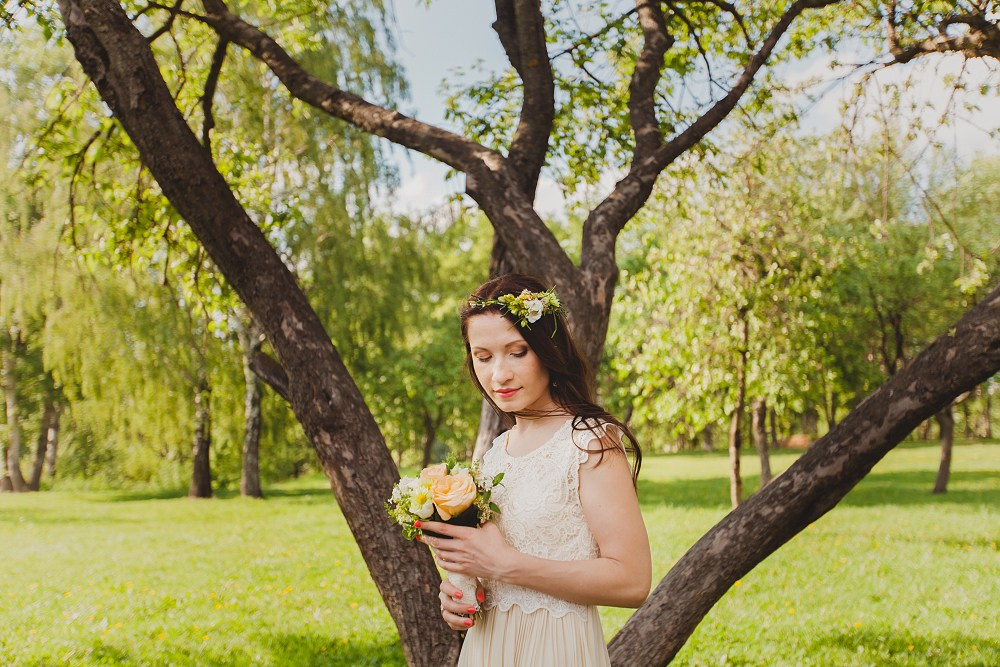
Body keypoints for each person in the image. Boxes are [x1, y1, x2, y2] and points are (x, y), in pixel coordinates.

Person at [415, 274, 651, 666]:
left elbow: (632, 581)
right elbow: (489, 565)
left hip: (555, 648)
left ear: (548, 349)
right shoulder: (495, 454)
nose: (499, 374)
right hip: (488, 649)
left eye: (517, 351)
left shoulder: (589, 442)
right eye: (483, 356)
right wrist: (459, 590)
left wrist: (503, 565)